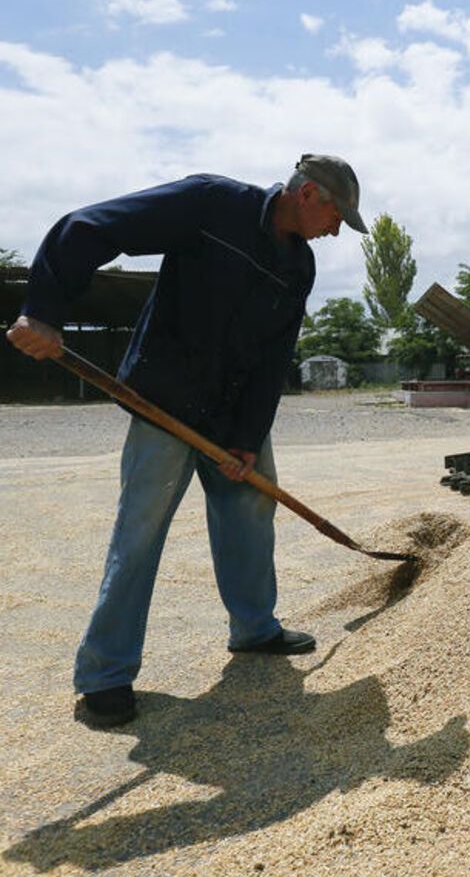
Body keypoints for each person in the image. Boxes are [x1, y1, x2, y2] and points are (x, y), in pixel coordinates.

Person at [5, 154, 368, 726]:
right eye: (337, 217)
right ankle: (105, 674)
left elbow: (274, 357)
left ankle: (255, 628)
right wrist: (43, 311)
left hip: (233, 415)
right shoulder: (210, 204)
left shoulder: (299, 264)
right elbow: (90, 227)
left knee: (250, 512)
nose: (336, 231)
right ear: (308, 195)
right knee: (140, 532)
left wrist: (249, 436)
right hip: (166, 402)